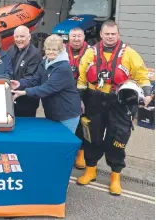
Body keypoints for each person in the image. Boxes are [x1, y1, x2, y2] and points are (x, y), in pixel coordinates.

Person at [76, 20, 152, 195]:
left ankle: (115, 177)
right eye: (107, 34)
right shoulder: (90, 53)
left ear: (118, 35)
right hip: (94, 99)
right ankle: (90, 170)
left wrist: (147, 93)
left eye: (113, 34)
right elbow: (81, 79)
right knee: (91, 136)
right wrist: (79, 100)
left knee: (118, 137)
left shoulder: (130, 54)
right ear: (101, 35)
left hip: (119, 101)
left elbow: (142, 74)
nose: (110, 37)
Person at [11, 34, 81, 133]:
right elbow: (35, 79)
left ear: (60, 50)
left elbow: (46, 89)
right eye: (48, 49)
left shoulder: (63, 67)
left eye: (54, 50)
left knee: (63, 144)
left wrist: (24, 92)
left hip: (67, 114)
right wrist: (19, 83)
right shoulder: (45, 62)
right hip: (52, 112)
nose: (51, 52)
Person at [67, 28, 89, 169]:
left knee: (83, 124)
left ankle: (82, 153)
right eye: (73, 36)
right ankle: (69, 150)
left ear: (84, 37)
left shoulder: (91, 52)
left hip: (86, 94)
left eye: (79, 36)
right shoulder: (61, 50)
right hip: (66, 94)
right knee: (67, 123)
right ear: (69, 37)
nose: (76, 39)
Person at [8, 25, 42, 117]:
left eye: (22, 36)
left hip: (27, 100)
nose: (19, 39)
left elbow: (32, 77)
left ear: (29, 37)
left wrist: (19, 84)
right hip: (12, 96)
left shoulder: (35, 54)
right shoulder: (11, 49)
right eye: (17, 36)